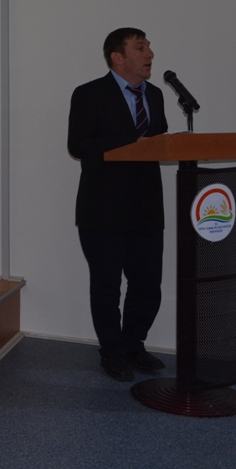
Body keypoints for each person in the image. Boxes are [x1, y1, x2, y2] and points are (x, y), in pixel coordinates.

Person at [67, 27, 168, 381]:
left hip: (147, 207)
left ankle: (134, 345)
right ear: (118, 57)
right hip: (103, 208)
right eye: (140, 48)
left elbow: (158, 143)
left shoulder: (155, 95)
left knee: (147, 284)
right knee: (107, 286)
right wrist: (129, 143)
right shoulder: (89, 94)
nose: (149, 54)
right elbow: (79, 145)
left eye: (149, 47)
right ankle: (112, 352)